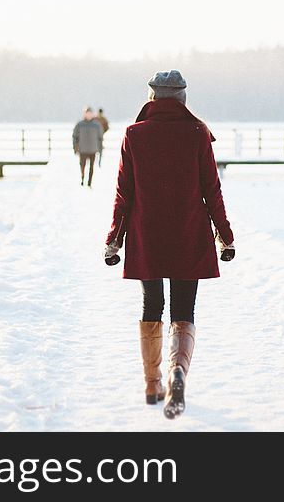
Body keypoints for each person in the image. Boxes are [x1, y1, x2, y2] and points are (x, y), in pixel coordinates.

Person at [104, 70, 235, 419]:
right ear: (182, 98)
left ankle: (152, 384)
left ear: (152, 97)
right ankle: (179, 372)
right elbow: (212, 190)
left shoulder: (134, 134)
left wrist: (114, 238)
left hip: (147, 232)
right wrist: (225, 233)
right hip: (188, 232)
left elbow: (124, 193)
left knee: (151, 306)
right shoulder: (197, 134)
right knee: (183, 311)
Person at [72, 107, 103, 186]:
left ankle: (89, 182)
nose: (89, 115)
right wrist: (75, 147)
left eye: (90, 113)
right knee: (82, 165)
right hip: (82, 149)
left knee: (91, 167)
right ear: (84, 114)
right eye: (87, 113)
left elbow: (100, 138)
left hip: (93, 149)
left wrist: (100, 149)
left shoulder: (97, 125)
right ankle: (82, 178)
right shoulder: (80, 124)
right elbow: (75, 136)